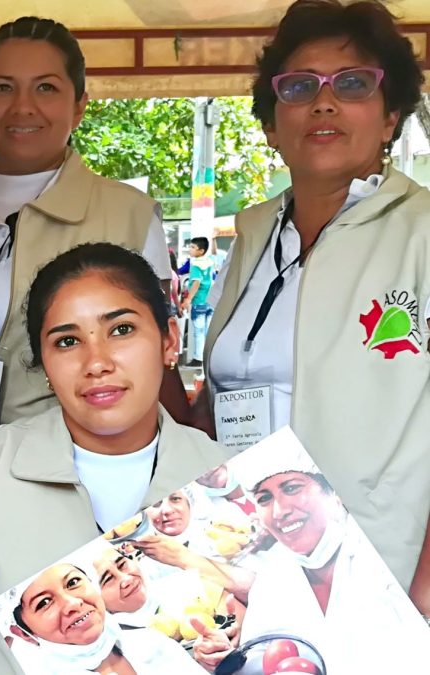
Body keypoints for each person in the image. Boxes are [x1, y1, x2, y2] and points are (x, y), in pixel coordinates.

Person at [0, 242, 231, 675]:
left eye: (121, 330)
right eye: (68, 341)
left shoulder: (226, 474)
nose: (97, 362)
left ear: (169, 341)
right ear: (44, 365)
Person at [191, 0, 430, 610]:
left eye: (352, 84)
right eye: (299, 87)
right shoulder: (253, 235)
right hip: (249, 555)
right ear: (272, 127)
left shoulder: (422, 232)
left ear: (390, 116)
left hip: (382, 569)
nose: (323, 102)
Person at [0, 16, 187, 428]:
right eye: (3, 87)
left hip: (76, 456)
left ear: (79, 106)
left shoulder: (130, 213)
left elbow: (157, 362)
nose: (23, 106)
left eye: (46, 87)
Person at [192, 444, 426, 674]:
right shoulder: (271, 582)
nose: (279, 511)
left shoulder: (384, 549)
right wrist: (229, 660)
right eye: (264, 498)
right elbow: (264, 660)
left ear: (332, 491)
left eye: (292, 488)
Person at [7, 560, 204, 673]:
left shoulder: (151, 641)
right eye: (43, 603)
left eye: (73, 582)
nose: (73, 603)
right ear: (24, 633)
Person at [181, 237, 214, 367]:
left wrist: (188, 299)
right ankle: (207, 358)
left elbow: (196, 282)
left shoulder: (196, 265)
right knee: (207, 331)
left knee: (198, 331)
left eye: (193, 247)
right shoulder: (210, 262)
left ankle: (198, 359)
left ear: (201, 250)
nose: (190, 249)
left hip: (198, 301)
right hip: (210, 301)